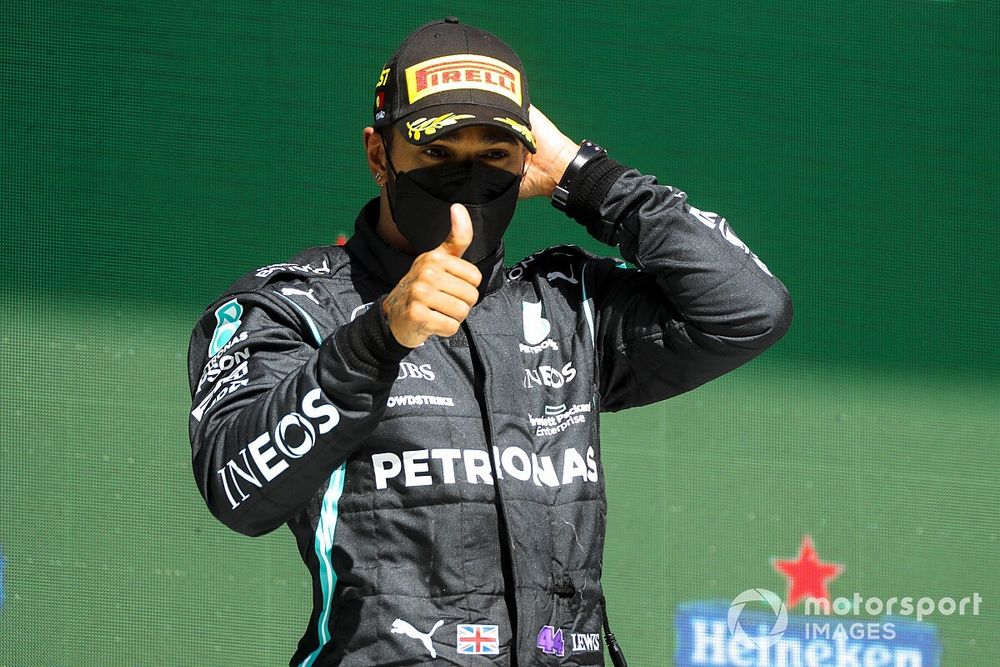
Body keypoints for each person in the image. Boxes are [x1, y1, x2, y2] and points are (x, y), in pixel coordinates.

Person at [187, 17, 792, 667]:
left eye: (494, 155)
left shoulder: (567, 304)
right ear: (378, 154)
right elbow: (235, 486)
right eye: (438, 152)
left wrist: (578, 173)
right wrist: (378, 337)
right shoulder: (294, 305)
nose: (466, 178)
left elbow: (750, 308)